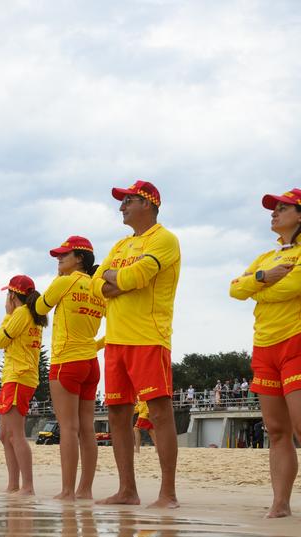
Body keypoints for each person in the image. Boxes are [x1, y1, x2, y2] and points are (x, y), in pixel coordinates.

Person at [228, 188, 301, 519]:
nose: (273, 214)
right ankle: (281, 503)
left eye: (281, 208)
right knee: (276, 431)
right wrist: (263, 278)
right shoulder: (265, 258)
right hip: (264, 346)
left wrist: (256, 290)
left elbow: (293, 287)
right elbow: (234, 289)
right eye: (273, 209)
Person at [92, 180, 181, 507]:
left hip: (149, 337)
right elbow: (94, 285)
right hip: (115, 340)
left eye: (128, 200)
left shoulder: (165, 239)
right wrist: (118, 281)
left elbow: (135, 277)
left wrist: (117, 280)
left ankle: (167, 493)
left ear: (148, 203)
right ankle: (127, 490)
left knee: (159, 414)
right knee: (117, 415)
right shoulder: (119, 245)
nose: (121, 207)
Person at [34, 235, 105, 500]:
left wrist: (56, 281)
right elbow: (115, 319)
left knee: (68, 428)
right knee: (87, 428)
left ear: (80, 259)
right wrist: (96, 345)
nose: (59, 259)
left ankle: (67, 490)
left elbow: (40, 307)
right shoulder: (98, 287)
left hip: (66, 361)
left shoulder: (64, 282)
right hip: (90, 362)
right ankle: (84, 490)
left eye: (64, 255)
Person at [0, 275, 46, 495]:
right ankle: (14, 484)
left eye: (8, 294)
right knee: (6, 435)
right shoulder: (32, 314)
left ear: (13, 295)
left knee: (14, 434)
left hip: (18, 375)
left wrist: (7, 315)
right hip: (17, 376)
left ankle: (27, 486)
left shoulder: (21, 313)